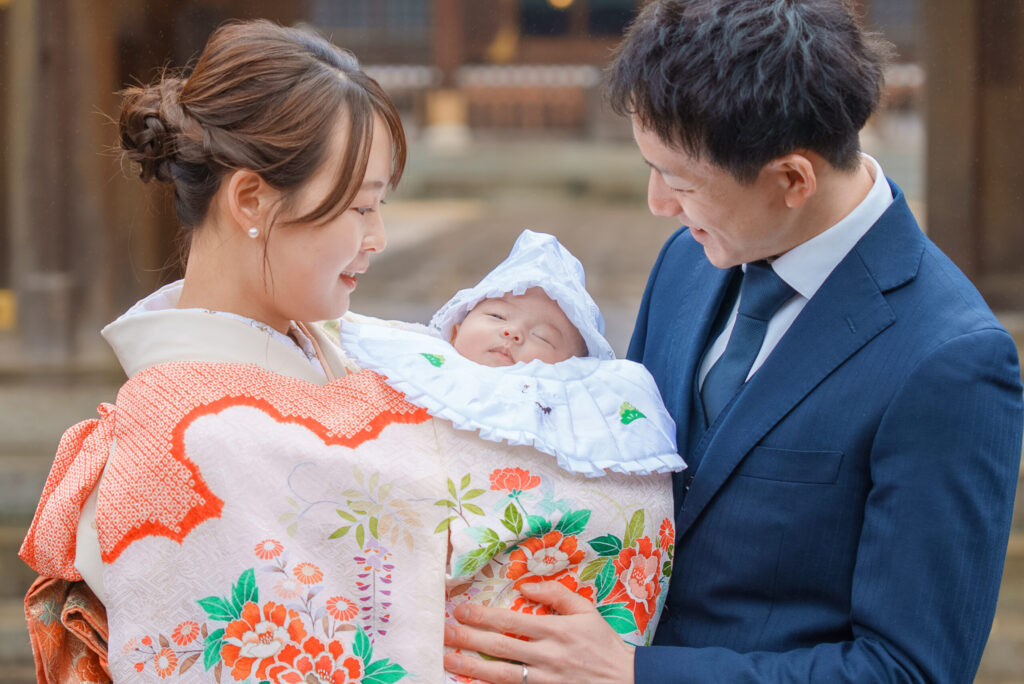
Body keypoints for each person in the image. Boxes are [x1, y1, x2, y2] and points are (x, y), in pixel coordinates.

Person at [20, 21, 680, 684]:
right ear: (252, 198)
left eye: (381, 206)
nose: (379, 238)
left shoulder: (353, 347)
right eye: (359, 209)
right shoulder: (186, 434)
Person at [443, 1, 1024, 683]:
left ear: (791, 180)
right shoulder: (689, 260)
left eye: (681, 182)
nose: (659, 203)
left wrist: (635, 674)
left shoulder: (950, 361)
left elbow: (907, 668)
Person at [339, 228, 684, 682]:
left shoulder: (580, 420)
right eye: (497, 313)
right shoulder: (416, 371)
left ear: (576, 368)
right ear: (455, 328)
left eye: (544, 335)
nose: (513, 332)